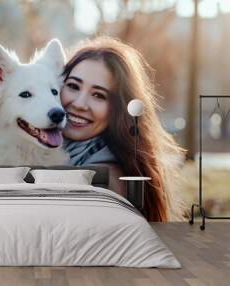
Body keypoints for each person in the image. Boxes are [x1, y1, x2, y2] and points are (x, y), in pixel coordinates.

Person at [60, 36, 185, 221]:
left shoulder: (102, 180)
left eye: (98, 95)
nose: (79, 103)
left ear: (118, 109)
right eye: (73, 86)